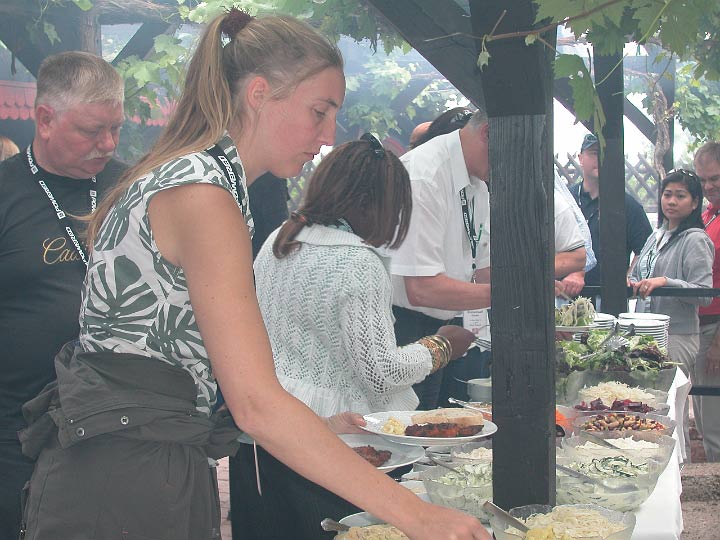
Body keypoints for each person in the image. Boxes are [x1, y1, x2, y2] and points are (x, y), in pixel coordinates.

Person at [19, 11, 488, 540]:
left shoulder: (199, 177)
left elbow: (195, 367)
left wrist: (316, 426)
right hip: (131, 475)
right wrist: (419, 515)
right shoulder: (204, 193)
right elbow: (257, 404)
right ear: (259, 94)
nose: (329, 133)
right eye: (319, 111)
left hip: (132, 456)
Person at [238, 136, 475, 539]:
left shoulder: (281, 239)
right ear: (378, 205)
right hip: (332, 448)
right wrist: (441, 347)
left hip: (264, 435)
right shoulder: (356, 262)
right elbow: (380, 373)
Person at [0, 51, 125, 540]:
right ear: (45, 119)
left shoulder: (132, 188)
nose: (108, 144)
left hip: (116, 426)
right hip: (15, 433)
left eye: (115, 128)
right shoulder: (6, 192)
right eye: (91, 130)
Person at [628, 169, 714, 460]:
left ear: (694, 203)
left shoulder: (695, 239)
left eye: (681, 195)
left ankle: (679, 469)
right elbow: (640, 273)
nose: (672, 201)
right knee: (650, 408)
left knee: (671, 410)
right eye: (667, 194)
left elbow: (703, 292)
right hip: (646, 334)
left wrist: (666, 282)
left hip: (676, 335)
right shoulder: (657, 235)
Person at [571, 133, 653, 296]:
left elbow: (646, 249)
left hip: (611, 298)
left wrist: (630, 275)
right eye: (594, 153)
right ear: (580, 158)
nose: (600, 159)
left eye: (605, 153)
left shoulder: (628, 205)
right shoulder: (566, 200)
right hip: (566, 295)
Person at [694, 142, 720, 461]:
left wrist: (718, 344)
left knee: (714, 421)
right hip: (699, 327)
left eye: (715, 178)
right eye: (703, 180)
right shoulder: (706, 215)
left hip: (715, 330)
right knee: (702, 415)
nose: (709, 186)